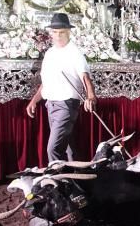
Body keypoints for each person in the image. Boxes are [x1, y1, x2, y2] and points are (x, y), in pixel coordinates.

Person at [26, 13, 97, 164]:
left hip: (66, 105)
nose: (58, 36)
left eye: (62, 32)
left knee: (53, 149)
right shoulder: (50, 53)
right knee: (68, 148)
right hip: (50, 104)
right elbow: (46, 83)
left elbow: (86, 78)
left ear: (69, 32)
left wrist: (91, 97)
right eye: (55, 32)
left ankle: (56, 182)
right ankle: (76, 179)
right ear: (51, 33)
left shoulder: (75, 53)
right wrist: (33, 101)